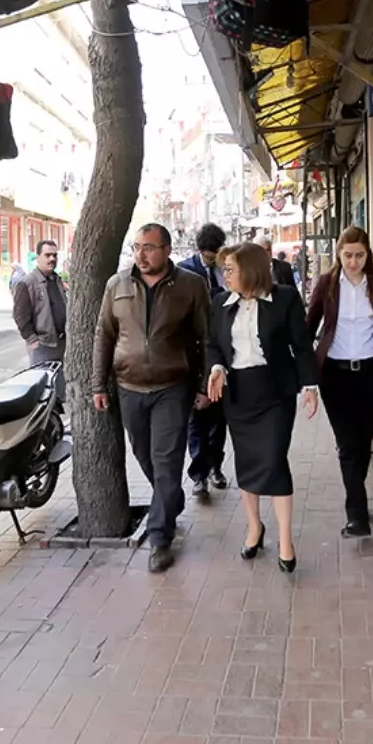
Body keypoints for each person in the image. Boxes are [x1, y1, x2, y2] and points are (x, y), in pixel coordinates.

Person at [92, 223, 212, 573]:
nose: (141, 254)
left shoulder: (191, 286)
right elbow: (104, 335)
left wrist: (205, 385)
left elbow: (206, 338)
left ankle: (160, 537)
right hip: (129, 387)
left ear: (167, 249)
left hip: (173, 386)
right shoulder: (117, 285)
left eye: (149, 247)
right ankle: (169, 501)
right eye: (137, 247)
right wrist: (99, 384)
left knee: (167, 459)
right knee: (144, 454)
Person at [208, 243, 318, 570]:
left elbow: (301, 345)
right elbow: (214, 345)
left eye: (230, 269)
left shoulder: (284, 298)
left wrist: (310, 386)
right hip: (238, 394)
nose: (224, 275)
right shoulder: (220, 302)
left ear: (251, 270)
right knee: (247, 461)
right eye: (223, 269)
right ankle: (254, 526)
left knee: (273, 460)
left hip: (275, 394)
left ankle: (285, 538)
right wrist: (216, 369)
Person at [307, 226, 373, 538]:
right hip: (334, 374)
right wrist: (303, 373)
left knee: (363, 441)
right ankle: (357, 514)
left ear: (367, 255)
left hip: (371, 373)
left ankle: (356, 494)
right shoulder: (327, 284)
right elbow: (308, 326)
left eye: (359, 255)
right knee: (347, 444)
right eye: (347, 256)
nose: (353, 262)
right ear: (338, 255)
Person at [178, 224, 230, 498]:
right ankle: (199, 474)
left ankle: (215, 467)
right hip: (194, 353)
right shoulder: (185, 270)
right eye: (208, 256)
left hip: (220, 349)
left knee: (218, 418)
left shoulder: (226, 268)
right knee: (196, 417)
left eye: (215, 255)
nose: (212, 260)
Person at [12, 240, 69, 399]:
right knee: (43, 392)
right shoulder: (27, 283)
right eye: (47, 255)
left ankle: (56, 422)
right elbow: (20, 315)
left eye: (54, 255)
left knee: (58, 392)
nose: (52, 259)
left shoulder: (56, 280)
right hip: (42, 346)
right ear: (38, 257)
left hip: (60, 343)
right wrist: (32, 339)